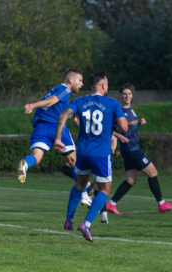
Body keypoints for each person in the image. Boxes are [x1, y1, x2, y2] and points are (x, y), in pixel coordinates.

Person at [54, 72, 128, 242]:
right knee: (104, 190)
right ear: (102, 86)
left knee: (80, 184)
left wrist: (58, 138)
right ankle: (86, 224)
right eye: (107, 84)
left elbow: (63, 115)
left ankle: (69, 220)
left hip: (83, 151)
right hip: (101, 154)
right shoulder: (112, 103)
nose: (108, 87)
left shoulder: (79, 101)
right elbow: (123, 128)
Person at [106, 84, 172, 215]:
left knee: (131, 180)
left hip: (130, 149)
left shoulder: (132, 109)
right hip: (131, 150)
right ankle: (161, 204)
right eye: (124, 94)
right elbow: (108, 130)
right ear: (120, 96)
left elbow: (129, 129)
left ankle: (111, 204)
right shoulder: (118, 112)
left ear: (132, 95)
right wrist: (119, 137)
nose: (127, 96)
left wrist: (139, 124)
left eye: (129, 93)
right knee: (153, 172)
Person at [17, 68, 83, 184]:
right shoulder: (65, 89)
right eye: (80, 80)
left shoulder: (54, 89)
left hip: (40, 128)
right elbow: (52, 101)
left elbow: (52, 104)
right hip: (56, 126)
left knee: (36, 158)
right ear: (71, 80)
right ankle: (84, 193)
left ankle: (26, 164)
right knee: (74, 161)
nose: (81, 84)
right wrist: (33, 105)